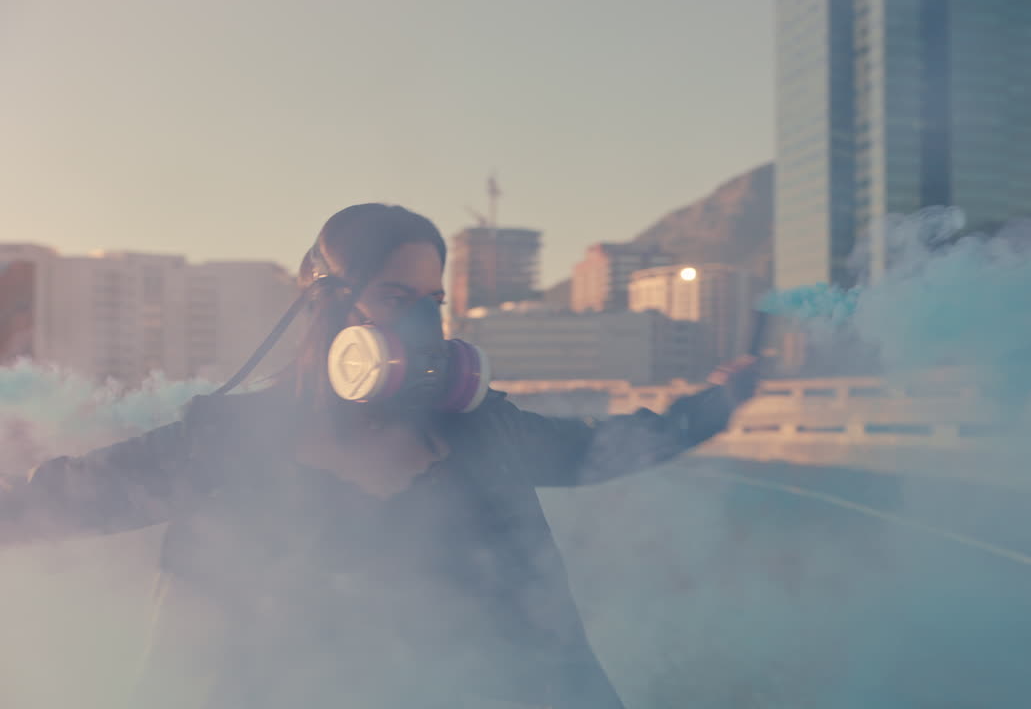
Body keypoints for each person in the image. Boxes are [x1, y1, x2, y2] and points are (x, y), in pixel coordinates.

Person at [0, 203, 759, 709]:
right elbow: (62, 500)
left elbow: (611, 448)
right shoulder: (228, 439)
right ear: (330, 304)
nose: (425, 323)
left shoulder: (479, 431)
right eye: (399, 298)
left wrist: (720, 401)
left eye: (435, 302)